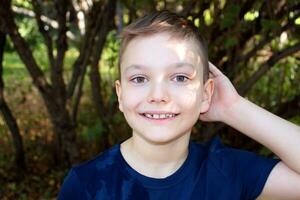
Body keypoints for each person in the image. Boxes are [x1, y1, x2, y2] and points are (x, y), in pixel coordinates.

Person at [58, 10, 300, 199]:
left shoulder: (227, 172)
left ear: (205, 94)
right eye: (139, 79)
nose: (158, 95)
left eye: (180, 78)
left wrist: (233, 107)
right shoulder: (86, 185)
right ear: (120, 95)